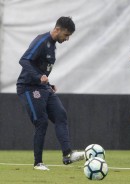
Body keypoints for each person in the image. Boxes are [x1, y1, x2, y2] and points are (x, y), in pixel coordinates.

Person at [16, 16, 84, 171]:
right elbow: (24, 60)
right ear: (57, 29)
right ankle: (37, 163)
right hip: (28, 87)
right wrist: (39, 77)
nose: (67, 39)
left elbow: (41, 69)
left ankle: (67, 154)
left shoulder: (53, 45)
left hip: (42, 87)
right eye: (66, 35)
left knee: (61, 115)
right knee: (42, 121)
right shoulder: (41, 40)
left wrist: (49, 83)